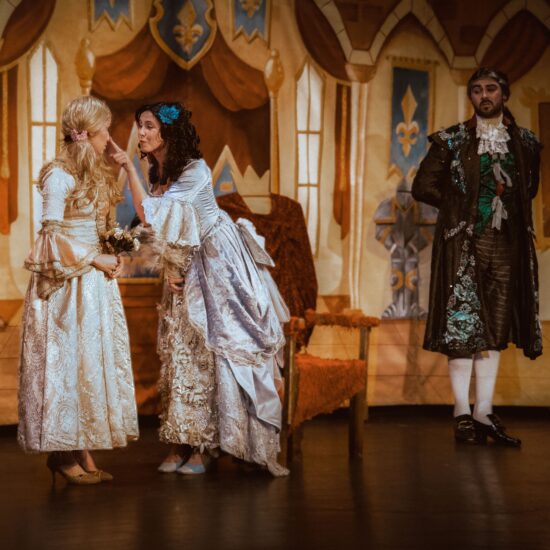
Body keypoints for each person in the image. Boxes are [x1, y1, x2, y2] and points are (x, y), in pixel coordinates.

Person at [111, 102, 289, 476]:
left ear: (168, 132)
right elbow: (160, 227)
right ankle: (184, 440)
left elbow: (153, 216)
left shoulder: (195, 170)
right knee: (181, 350)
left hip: (216, 261)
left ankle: (209, 445)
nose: (141, 132)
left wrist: (127, 166)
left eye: (148, 126)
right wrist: (170, 266)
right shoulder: (157, 171)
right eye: (140, 125)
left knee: (215, 349)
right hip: (184, 260)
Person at [412, 68, 542, 447]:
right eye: (477, 90)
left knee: (495, 329)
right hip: (465, 245)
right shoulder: (452, 141)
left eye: (491, 89)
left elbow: (529, 188)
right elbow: (423, 186)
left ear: (504, 94)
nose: (484, 96)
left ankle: (484, 410)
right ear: (471, 96)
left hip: (506, 246)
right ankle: (461, 412)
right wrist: (462, 206)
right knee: (462, 327)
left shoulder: (526, 143)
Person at [18, 96, 139, 484]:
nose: (109, 138)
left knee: (86, 367)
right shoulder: (59, 175)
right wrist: (94, 258)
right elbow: (50, 236)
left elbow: (98, 228)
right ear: (87, 133)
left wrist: (113, 254)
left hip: (91, 283)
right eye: (104, 131)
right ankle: (61, 452)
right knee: (66, 366)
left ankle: (80, 447)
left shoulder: (94, 174)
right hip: (65, 284)